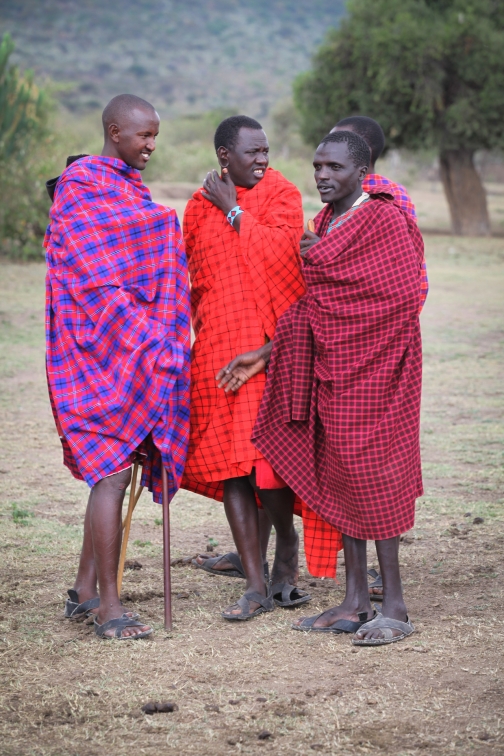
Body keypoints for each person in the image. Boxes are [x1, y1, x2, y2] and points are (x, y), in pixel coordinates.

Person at [224, 130, 423, 644]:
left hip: (380, 369)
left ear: (362, 171)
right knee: (340, 475)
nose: (322, 176)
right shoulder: (327, 221)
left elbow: (401, 295)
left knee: (373, 474)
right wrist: (267, 352)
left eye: (334, 167)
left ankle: (394, 607)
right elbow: (317, 301)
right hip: (334, 370)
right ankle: (355, 601)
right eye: (317, 166)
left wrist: (325, 262)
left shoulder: (384, 217)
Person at [45, 94, 191, 639]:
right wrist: (150, 338)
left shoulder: (128, 190)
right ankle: (110, 610)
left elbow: (142, 249)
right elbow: (93, 280)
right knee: (109, 474)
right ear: (114, 131)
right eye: (144, 136)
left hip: (127, 352)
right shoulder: (82, 189)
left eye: (155, 135)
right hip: (89, 352)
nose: (152, 145)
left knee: (118, 469)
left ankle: (84, 591)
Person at [182, 115, 314, 620]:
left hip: (266, 349)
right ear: (224, 156)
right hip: (216, 346)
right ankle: (255, 585)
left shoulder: (282, 193)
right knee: (231, 465)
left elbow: (284, 255)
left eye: (266, 150)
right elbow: (195, 277)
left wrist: (234, 209)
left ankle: (285, 542)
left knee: (266, 466)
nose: (263, 160)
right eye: (252, 152)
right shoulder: (196, 207)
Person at [331, 116, 428, 312]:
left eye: (336, 143)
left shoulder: (363, 197)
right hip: (404, 302)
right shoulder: (396, 190)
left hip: (370, 309)